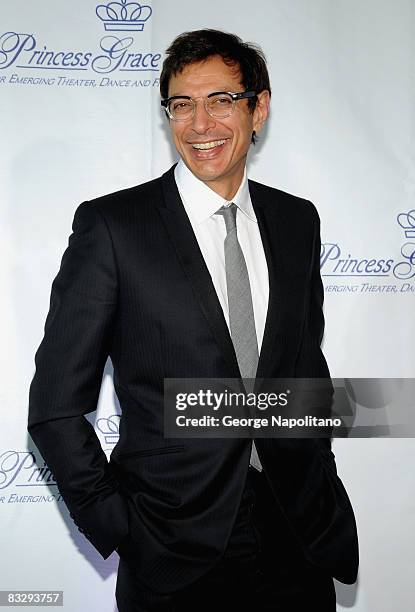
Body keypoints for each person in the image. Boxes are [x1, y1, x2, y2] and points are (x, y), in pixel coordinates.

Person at [28, 29, 358, 612]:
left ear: (259, 108)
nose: (200, 123)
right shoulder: (113, 228)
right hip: (171, 548)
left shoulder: (296, 221)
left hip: (297, 535)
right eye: (182, 104)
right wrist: (119, 524)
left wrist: (321, 483)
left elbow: (306, 372)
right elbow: (55, 405)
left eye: (221, 100)